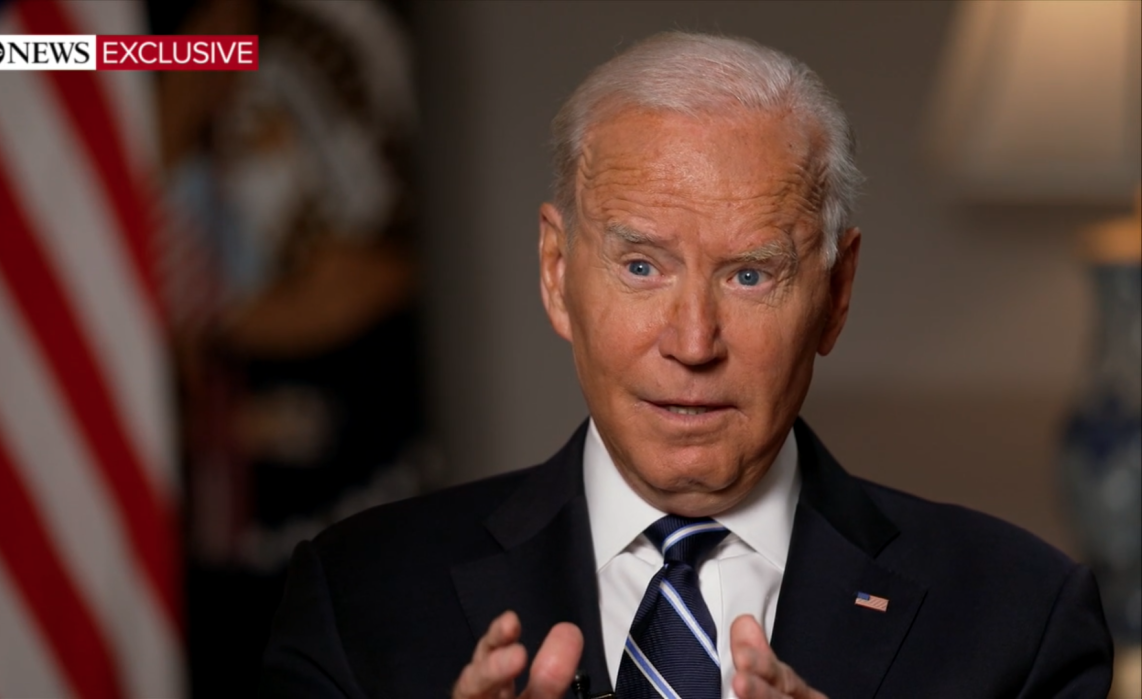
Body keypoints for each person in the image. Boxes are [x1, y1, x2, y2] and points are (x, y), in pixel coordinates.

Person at [260, 32, 1113, 698]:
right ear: (558, 274)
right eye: (642, 266)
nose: (693, 341)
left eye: (749, 273)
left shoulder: (1018, 615)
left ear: (836, 291)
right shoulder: (357, 595)